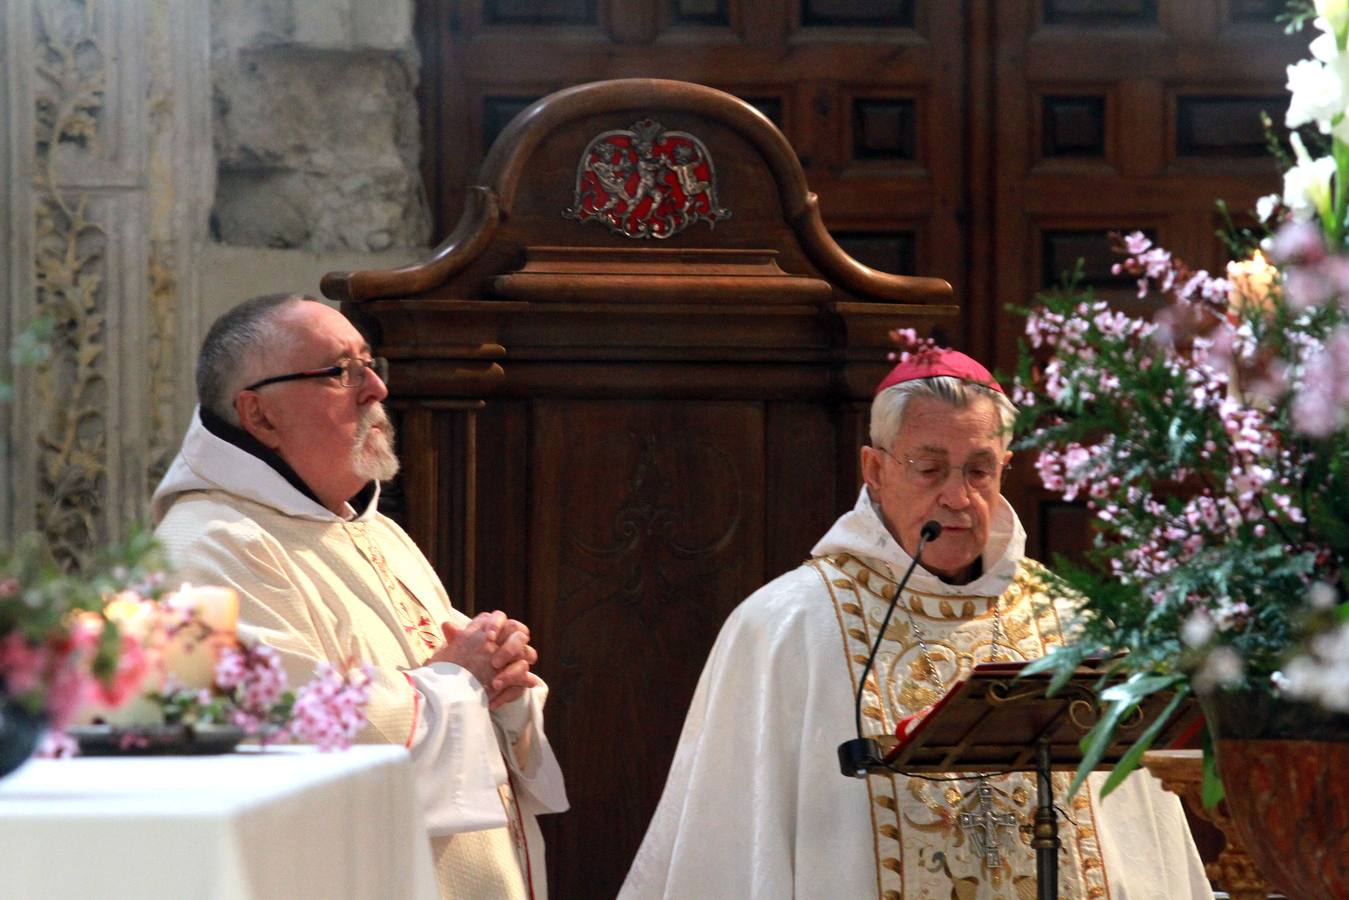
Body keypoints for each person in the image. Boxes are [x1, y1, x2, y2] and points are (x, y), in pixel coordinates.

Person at [619, 349, 1210, 899]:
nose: (958, 497)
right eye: (929, 468)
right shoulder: (787, 628)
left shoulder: (1069, 619)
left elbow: (1141, 841)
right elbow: (732, 850)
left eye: (980, 470)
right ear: (874, 470)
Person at [152, 293, 567, 900]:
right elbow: (266, 731)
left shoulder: (374, 531)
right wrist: (460, 683)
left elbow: (454, 671)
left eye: (372, 365)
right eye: (340, 371)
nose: (375, 388)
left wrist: (503, 681)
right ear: (259, 415)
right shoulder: (199, 550)